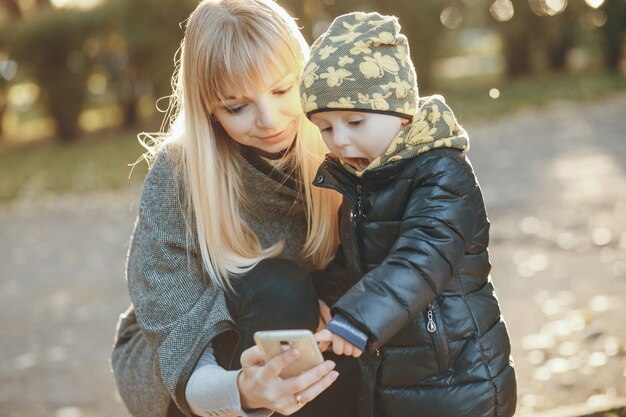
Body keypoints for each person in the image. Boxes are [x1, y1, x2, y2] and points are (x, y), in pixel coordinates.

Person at [110, 1, 360, 416]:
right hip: (196, 373)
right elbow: (175, 336)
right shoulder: (179, 177)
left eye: (282, 90)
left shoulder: (346, 140)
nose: (270, 119)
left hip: (311, 336)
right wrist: (243, 391)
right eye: (237, 106)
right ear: (208, 110)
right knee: (281, 288)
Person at [299, 11, 518, 417]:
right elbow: (355, 262)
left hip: (459, 378)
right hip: (399, 377)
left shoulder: (442, 174)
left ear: (401, 114)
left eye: (354, 120)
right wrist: (322, 299)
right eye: (325, 128)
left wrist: (357, 317)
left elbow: (421, 259)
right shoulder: (361, 178)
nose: (340, 140)